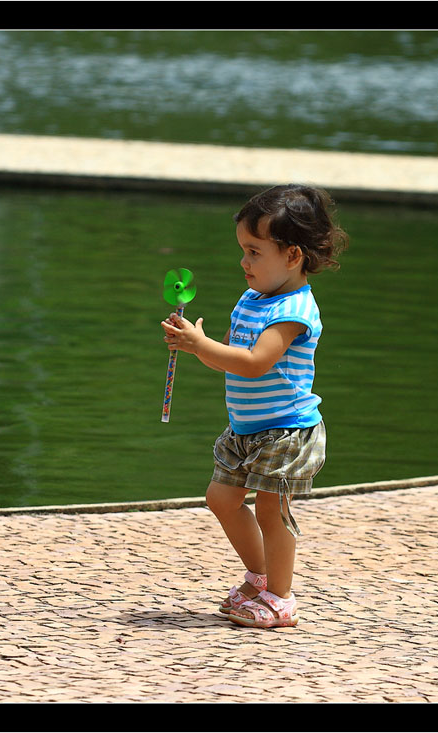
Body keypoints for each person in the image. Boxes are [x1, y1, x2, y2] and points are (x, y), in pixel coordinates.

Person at [161, 184, 348, 629]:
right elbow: (231, 360)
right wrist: (196, 346)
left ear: (292, 256)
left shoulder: (293, 310)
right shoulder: (254, 297)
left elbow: (256, 363)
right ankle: (260, 575)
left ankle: (281, 598)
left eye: (253, 252)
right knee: (221, 498)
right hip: (246, 427)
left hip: (286, 429)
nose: (244, 262)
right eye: (243, 250)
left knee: (270, 509)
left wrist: (202, 345)